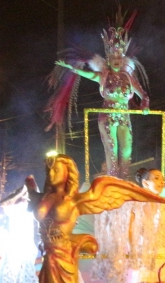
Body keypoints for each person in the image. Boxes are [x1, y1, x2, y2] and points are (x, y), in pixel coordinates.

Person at [24, 154, 164, 283]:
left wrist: (78, 240)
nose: (52, 174)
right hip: (47, 254)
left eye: (57, 170)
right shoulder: (43, 197)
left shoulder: (74, 200)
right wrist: (31, 189)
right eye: (50, 170)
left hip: (63, 255)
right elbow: (36, 215)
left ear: (67, 174)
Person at [48, 9, 149, 179]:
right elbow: (87, 74)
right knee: (112, 148)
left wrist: (145, 105)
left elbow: (143, 94)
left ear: (122, 58)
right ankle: (113, 180)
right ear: (108, 59)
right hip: (108, 115)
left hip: (124, 115)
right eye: (113, 56)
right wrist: (71, 68)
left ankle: (124, 181)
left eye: (119, 56)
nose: (116, 59)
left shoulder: (128, 76)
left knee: (126, 151)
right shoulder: (104, 75)